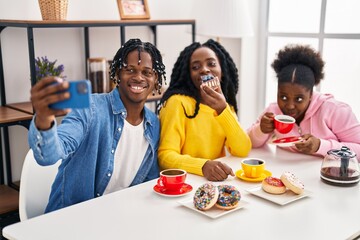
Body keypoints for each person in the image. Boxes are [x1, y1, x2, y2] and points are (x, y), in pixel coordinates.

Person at [28, 38, 166, 213]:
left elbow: (148, 184)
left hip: (119, 218)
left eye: (147, 72)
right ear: (117, 74)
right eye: (130, 70)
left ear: (156, 80)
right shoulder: (90, 109)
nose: (138, 77)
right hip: (70, 219)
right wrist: (44, 116)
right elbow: (48, 155)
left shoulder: (153, 125)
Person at [157, 39, 252, 181]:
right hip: (185, 183)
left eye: (211, 64)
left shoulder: (225, 106)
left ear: (222, 71)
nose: (204, 70)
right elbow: (165, 157)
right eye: (195, 67)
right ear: (188, 75)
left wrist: (222, 109)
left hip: (215, 182)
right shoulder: (177, 103)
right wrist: (203, 166)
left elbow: (243, 149)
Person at [247, 44, 360, 157]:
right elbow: (248, 142)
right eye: (283, 97)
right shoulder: (273, 111)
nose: (290, 106)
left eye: (299, 99)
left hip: (324, 172)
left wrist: (320, 146)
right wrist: (261, 130)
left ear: (311, 94)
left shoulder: (335, 111)